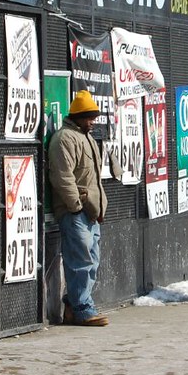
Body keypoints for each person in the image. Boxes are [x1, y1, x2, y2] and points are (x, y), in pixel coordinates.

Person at [47, 90, 110, 327]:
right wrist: (74, 207)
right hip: (77, 211)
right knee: (81, 260)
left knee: (91, 259)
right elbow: (63, 176)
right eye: (89, 117)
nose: (93, 121)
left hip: (90, 211)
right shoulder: (65, 139)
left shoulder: (86, 138)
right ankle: (82, 308)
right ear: (79, 116)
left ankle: (74, 306)